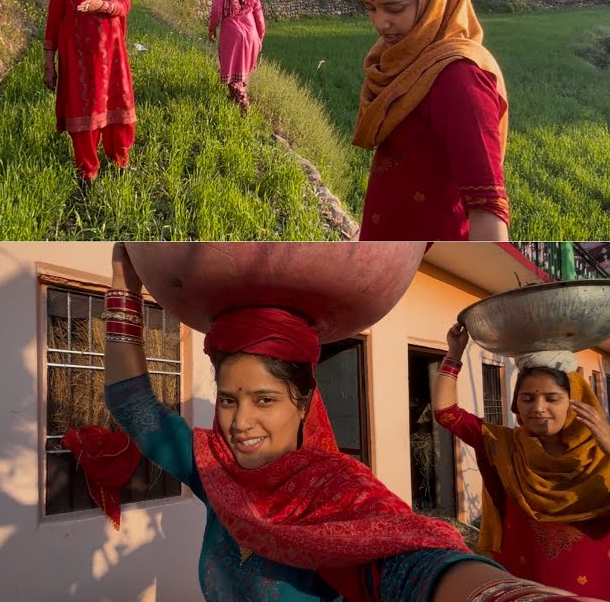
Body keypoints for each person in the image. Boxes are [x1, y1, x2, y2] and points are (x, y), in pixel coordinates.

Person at [99, 243, 597, 602]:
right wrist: (124, 285)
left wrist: (501, 594)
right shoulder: (217, 472)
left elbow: (417, 566)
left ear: (304, 401)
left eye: (265, 399)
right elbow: (136, 407)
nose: (240, 421)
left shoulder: (342, 492)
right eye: (228, 400)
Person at [352, 0, 509, 242]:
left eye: (394, 8)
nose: (380, 22)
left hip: (436, 263)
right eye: (370, 8)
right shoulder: (401, 61)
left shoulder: (458, 78)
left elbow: (487, 207)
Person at [434, 324, 610, 597]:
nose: (538, 409)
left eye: (552, 398)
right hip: (522, 585)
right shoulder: (503, 445)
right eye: (527, 398)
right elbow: (446, 413)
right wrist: (455, 353)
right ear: (517, 404)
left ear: (574, 402)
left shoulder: (602, 453)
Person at [43, 0, 136, 183]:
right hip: (77, 62)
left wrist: (102, 5)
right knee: (83, 110)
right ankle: (88, 171)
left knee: (115, 106)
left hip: (112, 57)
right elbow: (53, 23)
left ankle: (119, 161)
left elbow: (124, 4)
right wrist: (48, 63)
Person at [208, 0, 266, 115]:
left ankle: (243, 105)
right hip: (252, 35)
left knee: (233, 75)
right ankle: (236, 102)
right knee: (242, 73)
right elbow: (259, 17)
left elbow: (216, 11)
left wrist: (211, 29)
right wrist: (260, 37)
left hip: (232, 36)